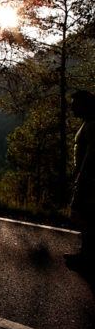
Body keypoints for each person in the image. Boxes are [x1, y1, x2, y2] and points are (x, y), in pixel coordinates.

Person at [65, 90, 95, 267]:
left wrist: (82, 177)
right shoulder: (88, 123)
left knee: (81, 214)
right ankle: (86, 252)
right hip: (87, 177)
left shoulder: (91, 124)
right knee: (86, 215)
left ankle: (88, 254)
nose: (71, 107)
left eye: (75, 104)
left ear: (85, 105)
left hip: (89, 179)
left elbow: (92, 153)